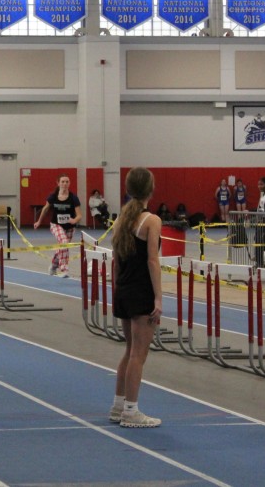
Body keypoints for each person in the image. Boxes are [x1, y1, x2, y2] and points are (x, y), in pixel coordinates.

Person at [108, 167, 163, 428]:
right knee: (139, 355)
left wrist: (117, 289)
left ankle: (118, 406)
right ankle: (131, 410)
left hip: (124, 289)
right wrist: (158, 299)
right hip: (141, 292)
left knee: (130, 351)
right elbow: (152, 261)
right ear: (150, 189)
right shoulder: (151, 221)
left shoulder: (120, 220)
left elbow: (116, 261)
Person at [34, 175, 82, 277]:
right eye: (63, 182)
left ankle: (53, 265)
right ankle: (64, 269)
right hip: (56, 225)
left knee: (63, 246)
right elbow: (45, 209)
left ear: (69, 183)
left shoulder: (73, 198)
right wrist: (39, 221)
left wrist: (74, 220)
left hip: (69, 227)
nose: (65, 184)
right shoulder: (53, 196)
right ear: (58, 183)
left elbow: (79, 215)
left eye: (67, 182)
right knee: (64, 243)